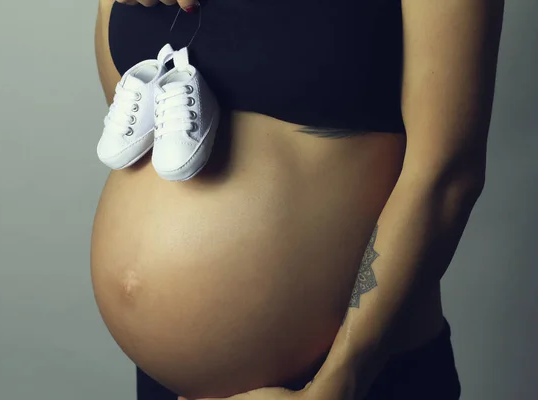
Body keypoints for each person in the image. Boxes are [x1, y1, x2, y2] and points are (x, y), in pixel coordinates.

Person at [91, 0, 504, 399]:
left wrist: (342, 378)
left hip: (348, 378)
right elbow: (133, 117)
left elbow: (447, 174)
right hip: (167, 379)